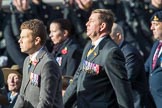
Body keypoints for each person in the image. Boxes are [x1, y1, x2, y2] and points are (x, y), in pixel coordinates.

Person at [63, 9, 134, 108]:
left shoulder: (111, 52)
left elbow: (122, 89)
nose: (87, 24)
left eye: (91, 21)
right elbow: (77, 79)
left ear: (102, 26)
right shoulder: (89, 46)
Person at [14, 19, 63, 108]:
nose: (19, 41)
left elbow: (45, 102)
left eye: (23, 37)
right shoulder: (27, 60)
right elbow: (22, 96)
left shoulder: (48, 64)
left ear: (37, 40)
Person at [110, 23, 151, 108]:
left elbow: (127, 79)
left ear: (119, 36)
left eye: (109, 38)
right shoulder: (116, 52)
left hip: (137, 101)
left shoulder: (129, 54)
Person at [145, 11, 162, 108]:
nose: (152, 28)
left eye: (156, 24)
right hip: (153, 99)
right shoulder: (156, 45)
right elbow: (147, 68)